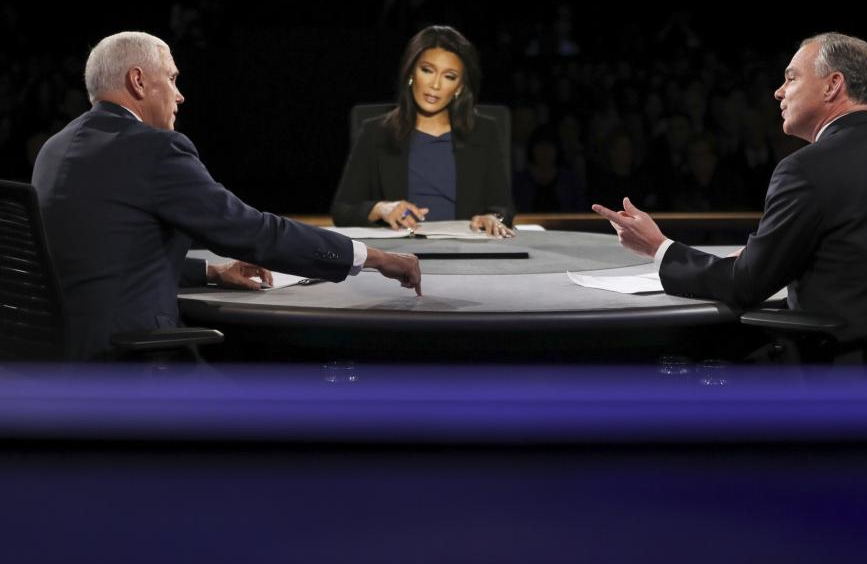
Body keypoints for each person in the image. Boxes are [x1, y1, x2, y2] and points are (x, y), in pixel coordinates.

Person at [31, 31, 421, 361]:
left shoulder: (54, 149)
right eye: (172, 78)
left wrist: (212, 271)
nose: (179, 95)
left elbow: (98, 256)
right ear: (138, 81)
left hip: (56, 356)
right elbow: (254, 232)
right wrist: (373, 256)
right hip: (131, 361)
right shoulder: (154, 149)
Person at [592, 32, 867, 358]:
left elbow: (745, 285)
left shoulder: (805, 169)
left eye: (791, 78)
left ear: (833, 85)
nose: (778, 92)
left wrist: (658, 248)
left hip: (826, 366)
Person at [331, 25, 514, 237]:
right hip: (399, 255)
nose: (435, 85)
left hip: (465, 255)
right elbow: (342, 210)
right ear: (411, 72)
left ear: (460, 87)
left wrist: (492, 218)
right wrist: (381, 209)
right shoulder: (375, 132)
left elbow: (503, 207)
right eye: (427, 70)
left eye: (449, 76)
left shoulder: (484, 132)